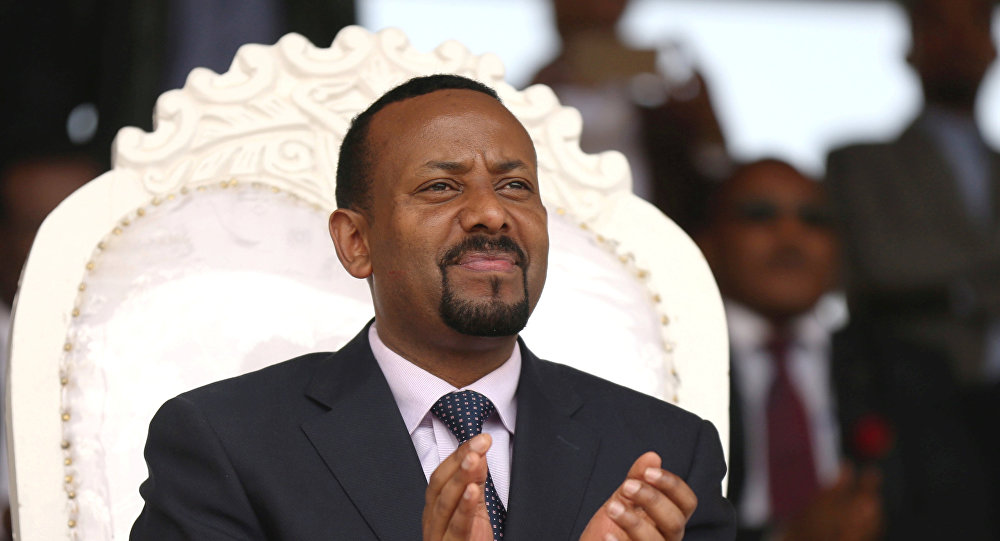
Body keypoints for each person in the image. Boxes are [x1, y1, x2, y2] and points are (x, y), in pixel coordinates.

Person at [129, 75, 735, 540]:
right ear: (356, 242)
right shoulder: (226, 443)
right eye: (441, 187)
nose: (491, 213)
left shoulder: (665, 454)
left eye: (515, 186)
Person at [697, 159, 995, 540]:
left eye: (815, 219)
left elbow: (963, 518)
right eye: (759, 214)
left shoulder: (909, 370)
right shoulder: (666, 362)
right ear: (706, 242)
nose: (790, 236)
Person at [529, 0, 730, 233]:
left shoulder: (664, 104)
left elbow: (713, 171)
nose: (591, 9)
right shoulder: (530, 96)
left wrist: (702, 119)